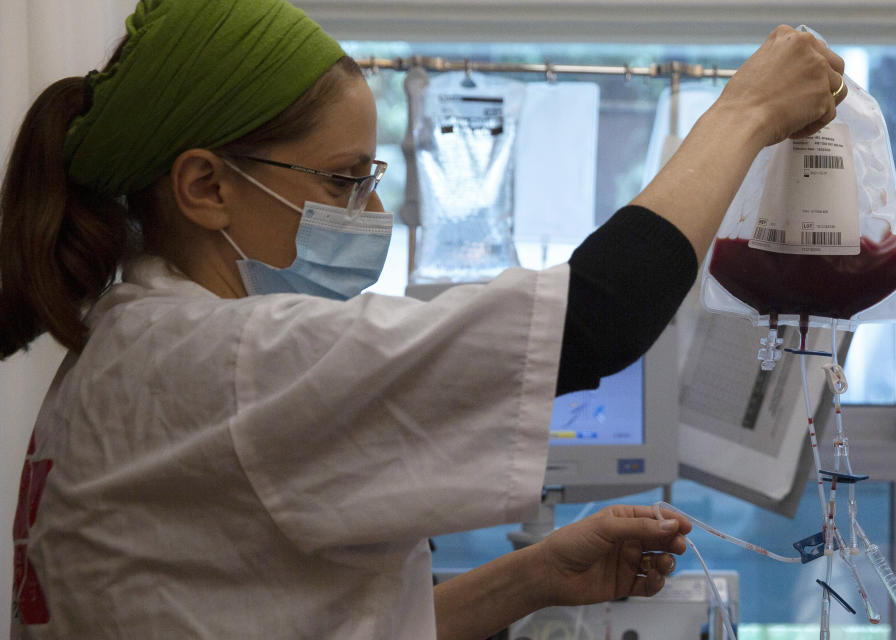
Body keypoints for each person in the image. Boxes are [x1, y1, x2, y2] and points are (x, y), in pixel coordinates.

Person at [0, 0, 845, 637]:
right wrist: (746, 113)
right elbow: (599, 315)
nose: (372, 210)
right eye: (341, 181)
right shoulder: (228, 360)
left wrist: (537, 577)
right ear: (205, 188)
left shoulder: (138, 342)